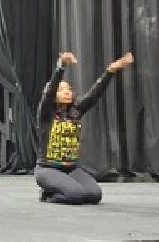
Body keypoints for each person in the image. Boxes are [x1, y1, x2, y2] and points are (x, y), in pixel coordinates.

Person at [35, 50, 134, 205]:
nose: (67, 92)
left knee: (95, 195)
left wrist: (110, 71)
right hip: (48, 169)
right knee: (75, 195)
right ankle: (48, 195)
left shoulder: (76, 111)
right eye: (61, 90)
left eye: (69, 89)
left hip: (71, 168)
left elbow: (94, 94)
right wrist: (61, 66)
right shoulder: (46, 114)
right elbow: (49, 92)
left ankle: (65, 188)